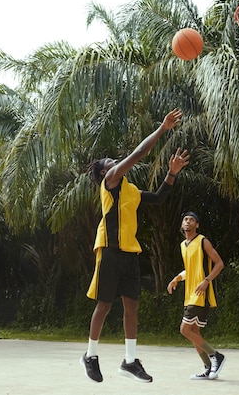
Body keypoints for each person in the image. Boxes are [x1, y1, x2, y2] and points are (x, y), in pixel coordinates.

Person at [80, 108, 190, 384]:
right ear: (106, 170)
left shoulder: (129, 190)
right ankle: (90, 355)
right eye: (112, 161)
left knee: (132, 307)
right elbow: (139, 153)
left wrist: (171, 173)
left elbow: (158, 198)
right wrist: (163, 128)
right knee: (104, 305)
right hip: (109, 250)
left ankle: (129, 361)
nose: (116, 162)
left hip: (129, 253)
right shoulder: (111, 181)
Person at [167, 211, 226, 380]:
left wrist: (207, 280)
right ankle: (208, 367)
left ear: (197, 225)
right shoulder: (183, 245)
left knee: (185, 329)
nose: (188, 221)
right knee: (194, 332)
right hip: (190, 294)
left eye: (192, 219)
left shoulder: (202, 241)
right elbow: (191, 270)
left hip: (201, 293)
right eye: (185, 219)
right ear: (182, 224)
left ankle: (216, 356)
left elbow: (219, 263)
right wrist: (177, 278)